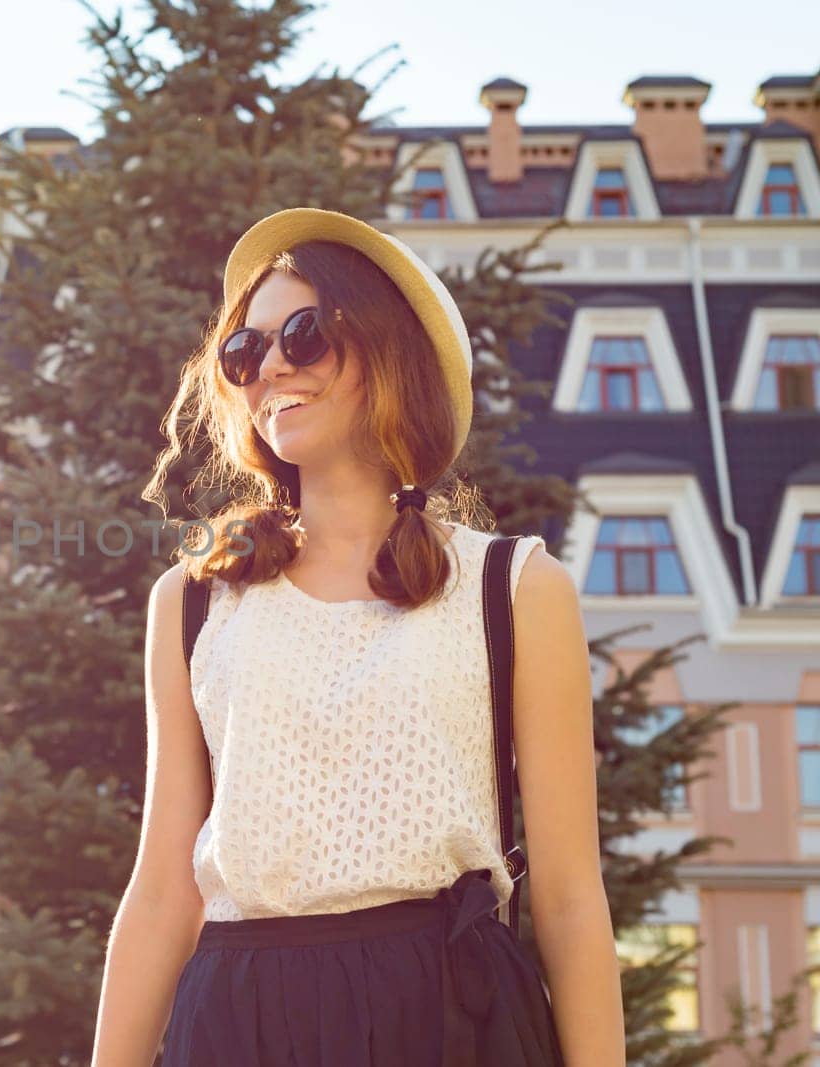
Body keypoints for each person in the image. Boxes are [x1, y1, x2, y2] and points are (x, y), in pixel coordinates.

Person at [92, 209, 623, 1066]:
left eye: (303, 336)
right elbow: (161, 892)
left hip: (447, 1017)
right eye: (244, 350)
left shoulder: (514, 589)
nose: (268, 367)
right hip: (240, 1025)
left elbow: (567, 895)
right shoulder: (192, 603)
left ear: (387, 351)